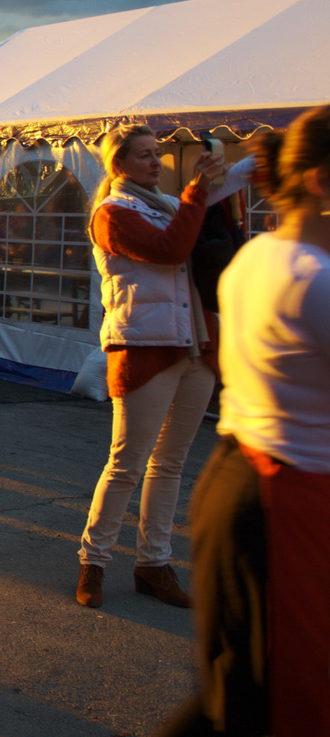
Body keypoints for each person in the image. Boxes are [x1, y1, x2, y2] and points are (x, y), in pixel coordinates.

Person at [157, 106, 330, 737]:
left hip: (245, 480)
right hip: (284, 496)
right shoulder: (312, 278)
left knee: (244, 696)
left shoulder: (263, 258)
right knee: (285, 703)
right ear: (321, 181)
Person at [75, 124, 227, 610]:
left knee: (171, 464)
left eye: (157, 153)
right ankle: (93, 561)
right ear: (119, 164)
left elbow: (198, 229)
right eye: (144, 156)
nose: (155, 162)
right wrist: (198, 192)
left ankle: (154, 563)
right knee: (126, 464)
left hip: (193, 346)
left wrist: (238, 171)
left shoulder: (164, 205)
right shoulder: (112, 213)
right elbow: (171, 251)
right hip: (145, 348)